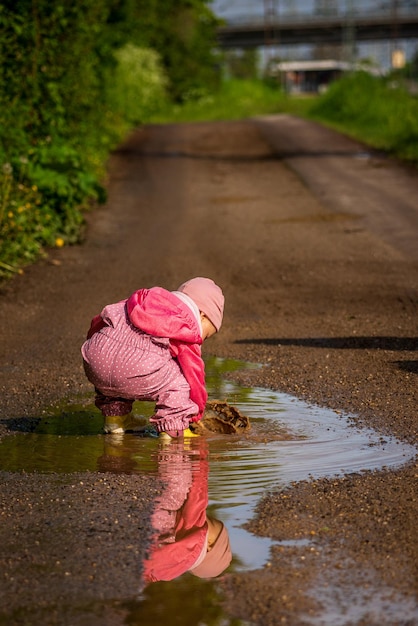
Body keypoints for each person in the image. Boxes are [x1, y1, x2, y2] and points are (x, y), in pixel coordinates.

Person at [81, 277, 224, 438]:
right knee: (180, 381)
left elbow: (100, 320)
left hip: (96, 358)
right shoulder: (187, 325)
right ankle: (173, 429)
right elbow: (194, 375)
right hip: (137, 369)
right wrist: (195, 413)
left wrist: (95, 345)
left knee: (114, 367)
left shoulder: (141, 300)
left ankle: (116, 419)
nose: (201, 340)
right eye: (206, 334)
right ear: (202, 315)